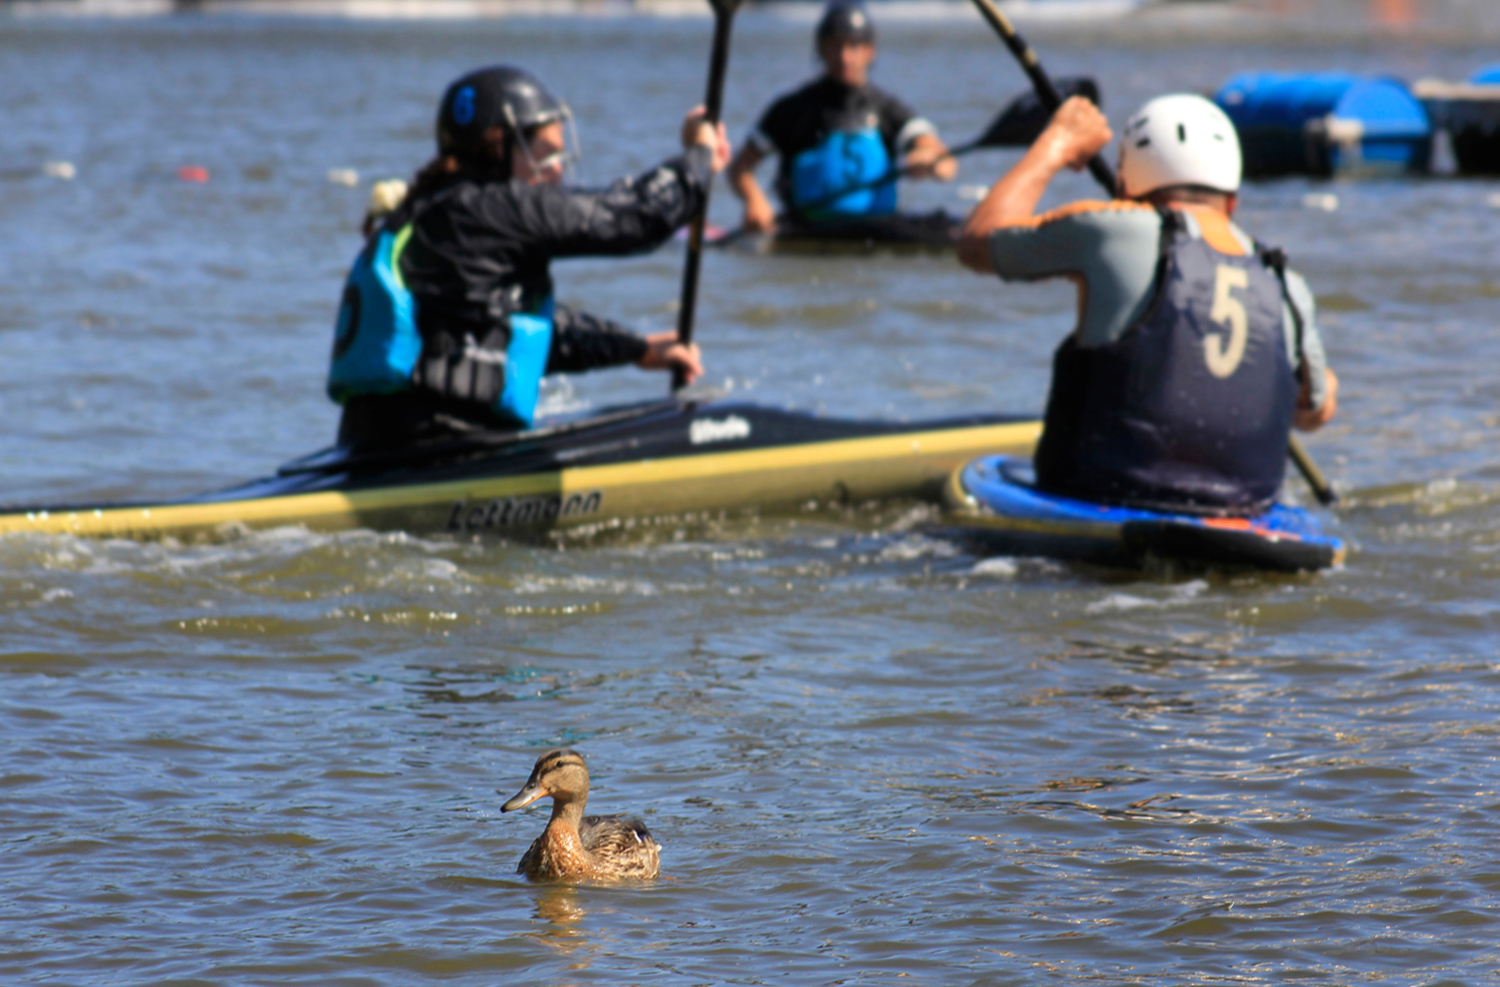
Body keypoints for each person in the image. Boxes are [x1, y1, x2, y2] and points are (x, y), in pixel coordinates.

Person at [957, 93, 1339, 515]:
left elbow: (978, 241)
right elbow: (1313, 411)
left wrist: (1057, 144)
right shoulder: (1287, 284)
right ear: (1233, 200)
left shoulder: (1108, 229)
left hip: (1099, 492)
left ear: (1125, 188)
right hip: (1240, 509)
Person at [328, 65, 731, 451]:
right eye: (547, 155)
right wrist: (698, 156)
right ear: (499, 145)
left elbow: (504, 333)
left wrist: (635, 348)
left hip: (373, 448)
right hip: (444, 449)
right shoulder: (492, 208)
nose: (556, 173)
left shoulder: (431, 212)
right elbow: (637, 219)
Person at [726, 0, 956, 233]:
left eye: (854, 45)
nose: (844, 57)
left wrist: (928, 160)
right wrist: (754, 199)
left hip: (879, 230)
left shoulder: (888, 109)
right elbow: (739, 168)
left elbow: (946, 163)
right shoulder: (791, 110)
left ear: (870, 51)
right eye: (835, 45)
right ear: (820, 48)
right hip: (806, 228)